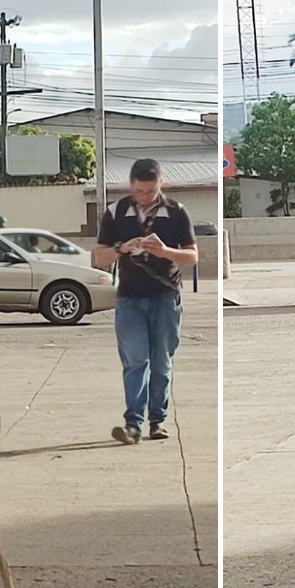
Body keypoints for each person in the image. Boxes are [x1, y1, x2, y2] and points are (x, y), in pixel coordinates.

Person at [93, 158, 199, 445]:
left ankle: (157, 420)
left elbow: (192, 256)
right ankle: (133, 424)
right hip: (129, 297)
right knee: (136, 360)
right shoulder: (116, 213)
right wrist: (121, 248)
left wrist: (165, 252)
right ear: (131, 186)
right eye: (140, 191)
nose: (145, 197)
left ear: (161, 183)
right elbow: (99, 257)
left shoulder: (176, 212)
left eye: (151, 191)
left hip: (165, 295)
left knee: (162, 361)